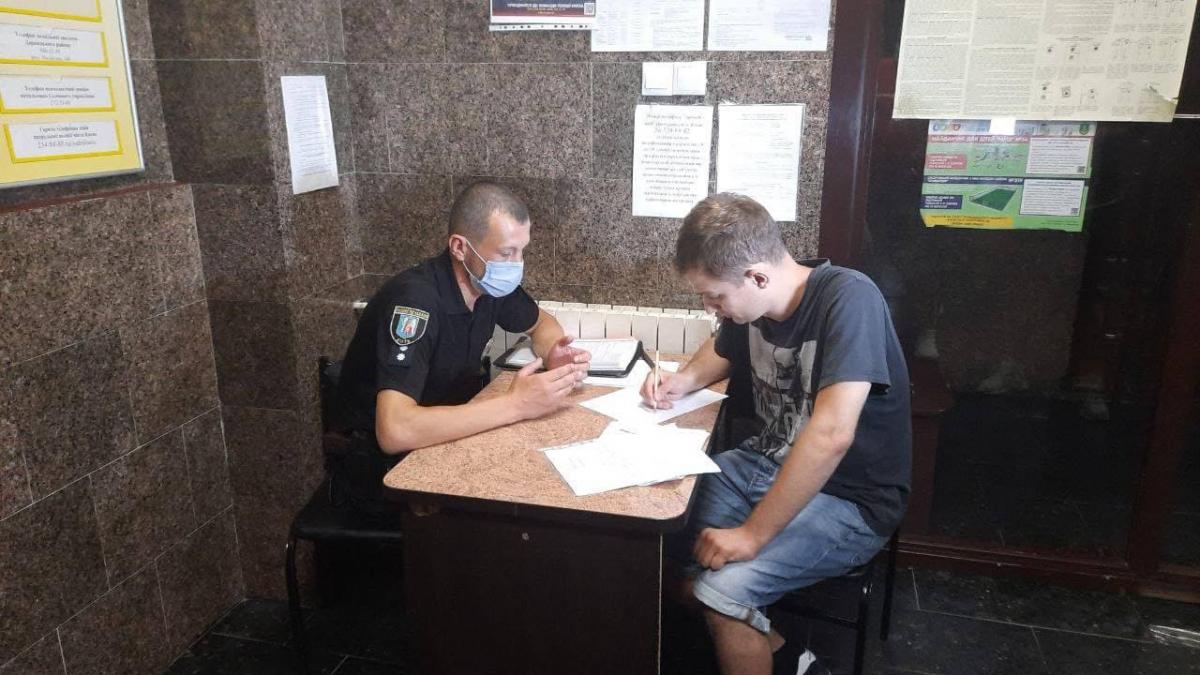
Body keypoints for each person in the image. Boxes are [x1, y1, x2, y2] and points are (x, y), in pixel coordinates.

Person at [642, 193, 911, 675]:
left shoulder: (850, 298)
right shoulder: (755, 303)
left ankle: (755, 635)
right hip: (763, 463)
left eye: (715, 297)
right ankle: (789, 658)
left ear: (758, 277)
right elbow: (721, 350)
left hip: (850, 497)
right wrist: (682, 380)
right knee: (656, 539)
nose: (711, 308)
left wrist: (752, 536)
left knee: (721, 593)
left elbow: (832, 434)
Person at [334, 181, 590, 506]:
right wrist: (516, 405)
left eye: (521, 251)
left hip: (445, 443)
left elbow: (541, 324)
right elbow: (394, 430)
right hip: (381, 474)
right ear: (460, 247)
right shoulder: (416, 303)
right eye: (506, 253)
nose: (516, 264)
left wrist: (554, 351)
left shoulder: (489, 285)